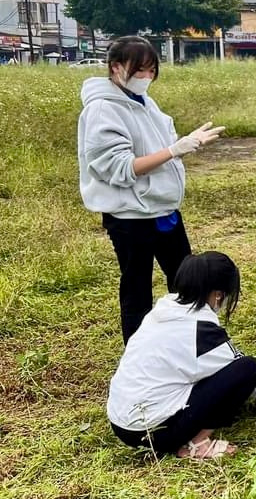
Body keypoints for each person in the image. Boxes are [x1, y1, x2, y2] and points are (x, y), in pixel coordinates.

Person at [78, 35, 225, 344]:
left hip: (163, 210)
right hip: (131, 217)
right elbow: (121, 168)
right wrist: (175, 150)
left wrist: (183, 144)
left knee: (186, 281)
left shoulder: (145, 102)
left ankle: (189, 342)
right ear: (116, 68)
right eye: (139, 70)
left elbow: (160, 147)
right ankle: (138, 351)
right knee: (137, 288)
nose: (146, 78)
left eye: (151, 71)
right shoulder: (103, 109)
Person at [108, 252, 256, 459]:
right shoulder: (202, 333)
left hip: (121, 426)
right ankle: (198, 443)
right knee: (249, 367)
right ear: (218, 294)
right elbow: (251, 377)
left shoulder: (163, 310)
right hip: (154, 433)